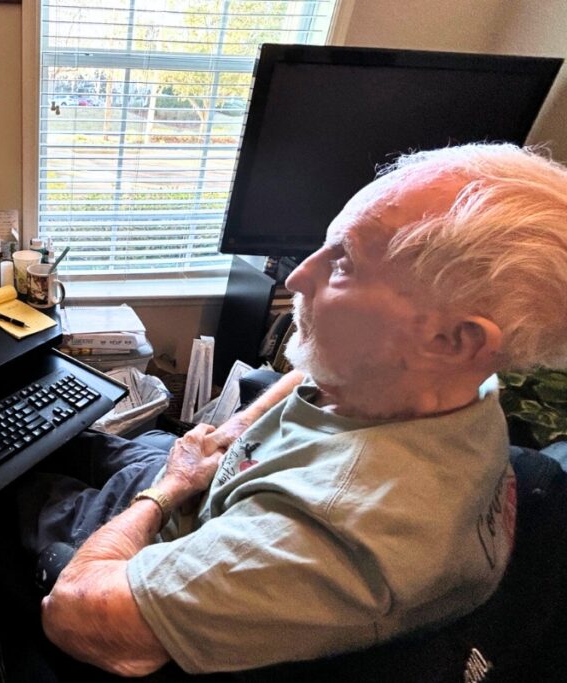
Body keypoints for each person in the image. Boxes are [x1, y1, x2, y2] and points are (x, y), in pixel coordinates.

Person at [30, 143, 567, 676]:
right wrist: (226, 432)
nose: (297, 277)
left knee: (7, 493)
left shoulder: (335, 540)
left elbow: (73, 611)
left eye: (344, 263)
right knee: (58, 434)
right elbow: (317, 368)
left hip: (159, 547)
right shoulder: (455, 382)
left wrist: (169, 489)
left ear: (455, 340)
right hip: (210, 479)